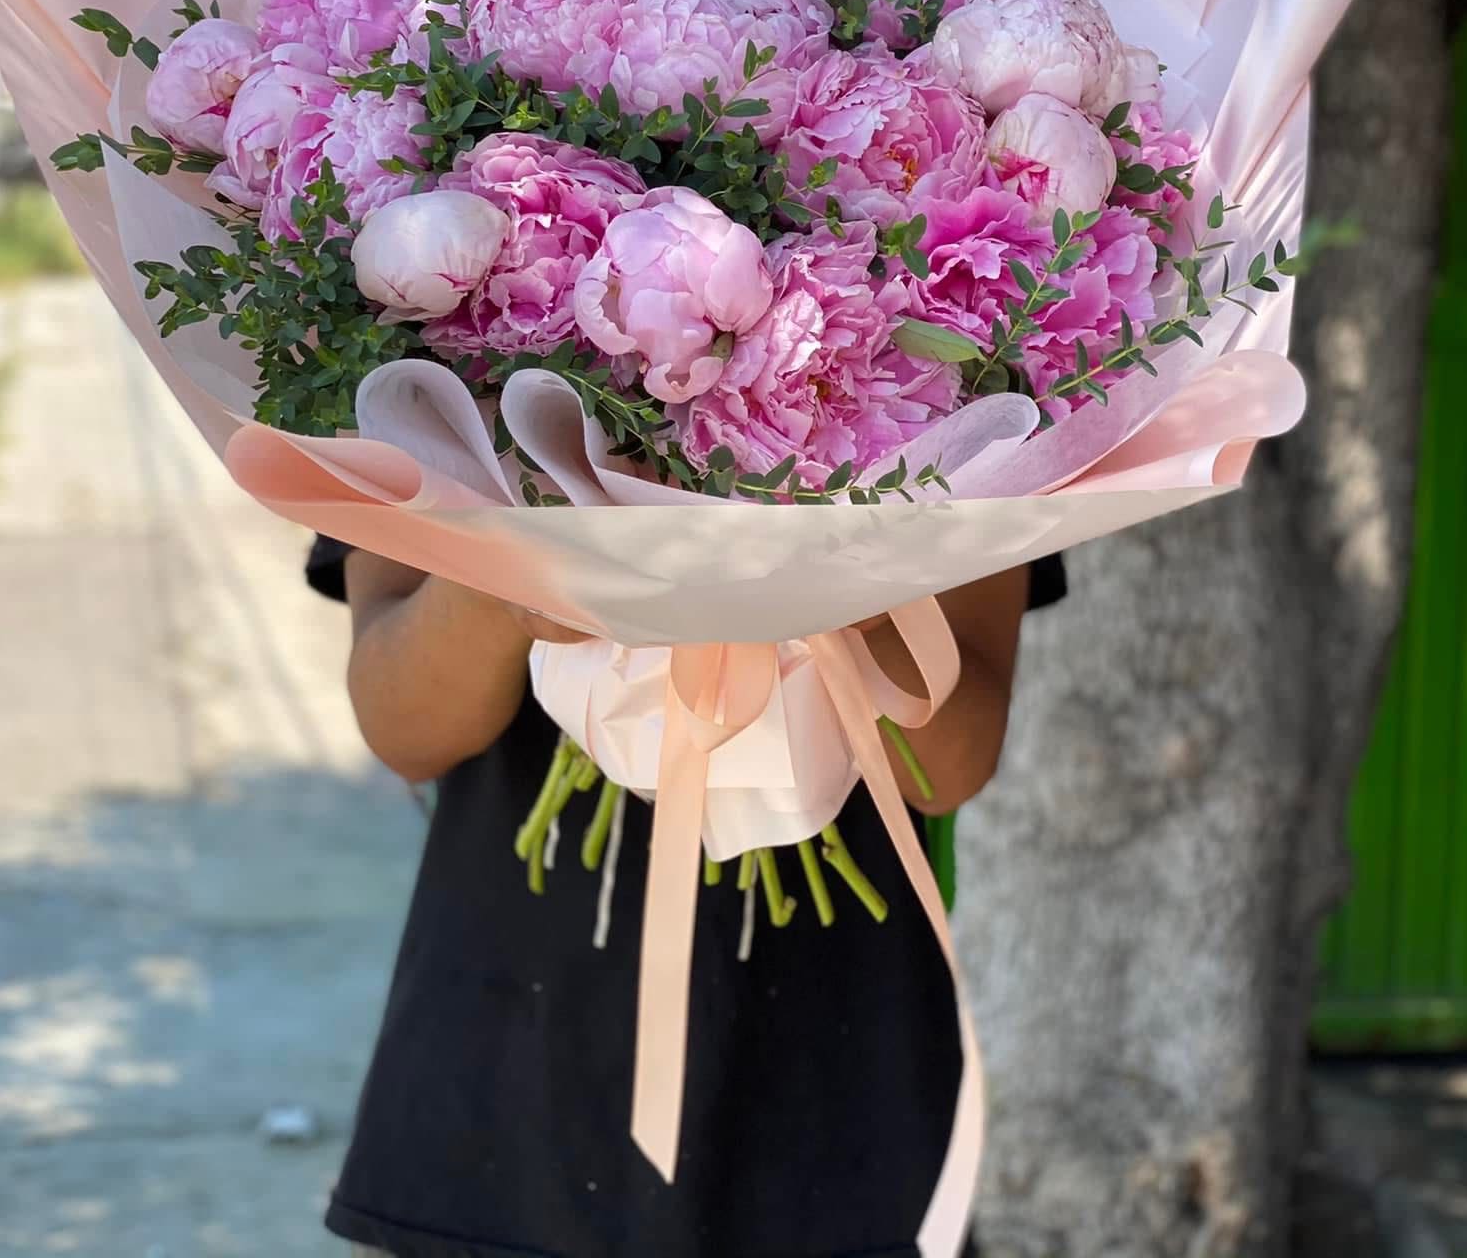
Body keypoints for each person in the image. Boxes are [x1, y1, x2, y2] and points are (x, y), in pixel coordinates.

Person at [308, 537, 1066, 1258]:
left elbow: (953, 764)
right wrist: (513, 564)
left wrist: (842, 593)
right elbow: (401, 725)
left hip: (837, 1105)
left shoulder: (976, 404)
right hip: (504, 1102)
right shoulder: (422, 399)